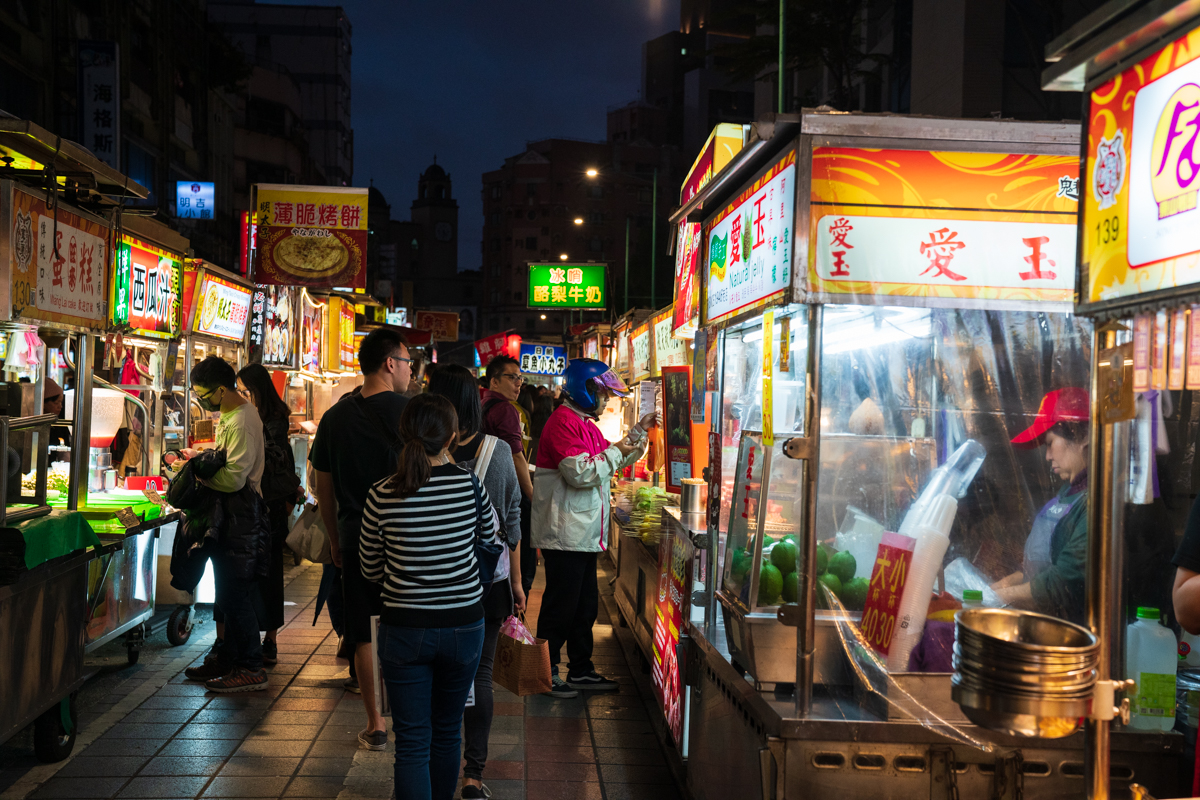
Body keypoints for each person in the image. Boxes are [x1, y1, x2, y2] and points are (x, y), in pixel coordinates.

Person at [359, 394, 493, 800]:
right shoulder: (470, 486)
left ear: (405, 435)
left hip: (405, 628)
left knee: (413, 741)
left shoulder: (381, 493)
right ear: (451, 437)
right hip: (464, 625)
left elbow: (370, 567)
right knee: (447, 731)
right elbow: (490, 543)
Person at [310, 328, 412, 750]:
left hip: (355, 538)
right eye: (407, 361)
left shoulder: (335, 417)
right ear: (390, 363)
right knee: (408, 622)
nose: (409, 369)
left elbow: (323, 487)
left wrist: (335, 539)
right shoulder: (411, 414)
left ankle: (375, 723)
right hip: (408, 538)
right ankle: (409, 712)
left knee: (363, 630)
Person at [428, 365, 524, 800]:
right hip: (487, 584)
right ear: (474, 400)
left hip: (430, 583)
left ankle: (431, 768)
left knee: (434, 678)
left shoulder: (417, 454)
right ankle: (472, 775)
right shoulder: (499, 452)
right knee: (478, 676)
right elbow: (511, 524)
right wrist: (518, 585)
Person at [533, 358, 655, 697]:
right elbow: (583, 472)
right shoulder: (563, 423)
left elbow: (611, 459)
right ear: (584, 390)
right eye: (601, 394)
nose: (605, 401)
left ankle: (581, 669)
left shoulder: (584, 424)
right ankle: (546, 672)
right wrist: (618, 450)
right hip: (565, 534)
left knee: (584, 606)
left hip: (583, 535)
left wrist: (639, 433)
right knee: (560, 608)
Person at [181, 356, 270, 692]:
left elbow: (234, 478)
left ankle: (251, 666)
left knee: (235, 594)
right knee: (227, 593)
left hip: (241, 516)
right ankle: (228, 658)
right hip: (229, 517)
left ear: (220, 390)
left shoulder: (243, 419)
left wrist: (198, 480)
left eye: (203, 394)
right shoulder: (231, 415)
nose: (201, 400)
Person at [991, 388, 1089, 622]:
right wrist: (1001, 585)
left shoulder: (1096, 503)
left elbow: (1059, 583)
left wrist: (997, 598)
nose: (1047, 456)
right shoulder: (1067, 492)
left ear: (1082, 436)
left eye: (1050, 443)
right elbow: (1040, 569)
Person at [237, 364, 300, 667]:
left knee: (267, 571)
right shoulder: (269, 416)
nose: (242, 395)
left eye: (245, 390)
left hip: (268, 505)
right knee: (264, 571)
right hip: (268, 503)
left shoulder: (270, 421)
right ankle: (262, 638)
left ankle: (270, 638)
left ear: (255, 389)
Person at [481, 356, 536, 594]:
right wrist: (532, 494)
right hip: (505, 493)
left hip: (483, 492)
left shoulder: (481, 403)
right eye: (511, 377)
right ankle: (516, 598)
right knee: (516, 546)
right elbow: (516, 456)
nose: (518, 383)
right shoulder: (506, 409)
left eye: (520, 378)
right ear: (494, 381)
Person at [43, 378, 71, 448]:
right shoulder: (33, 423)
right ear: (43, 403)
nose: (60, 407)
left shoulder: (61, 424)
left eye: (61, 403)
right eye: (56, 403)